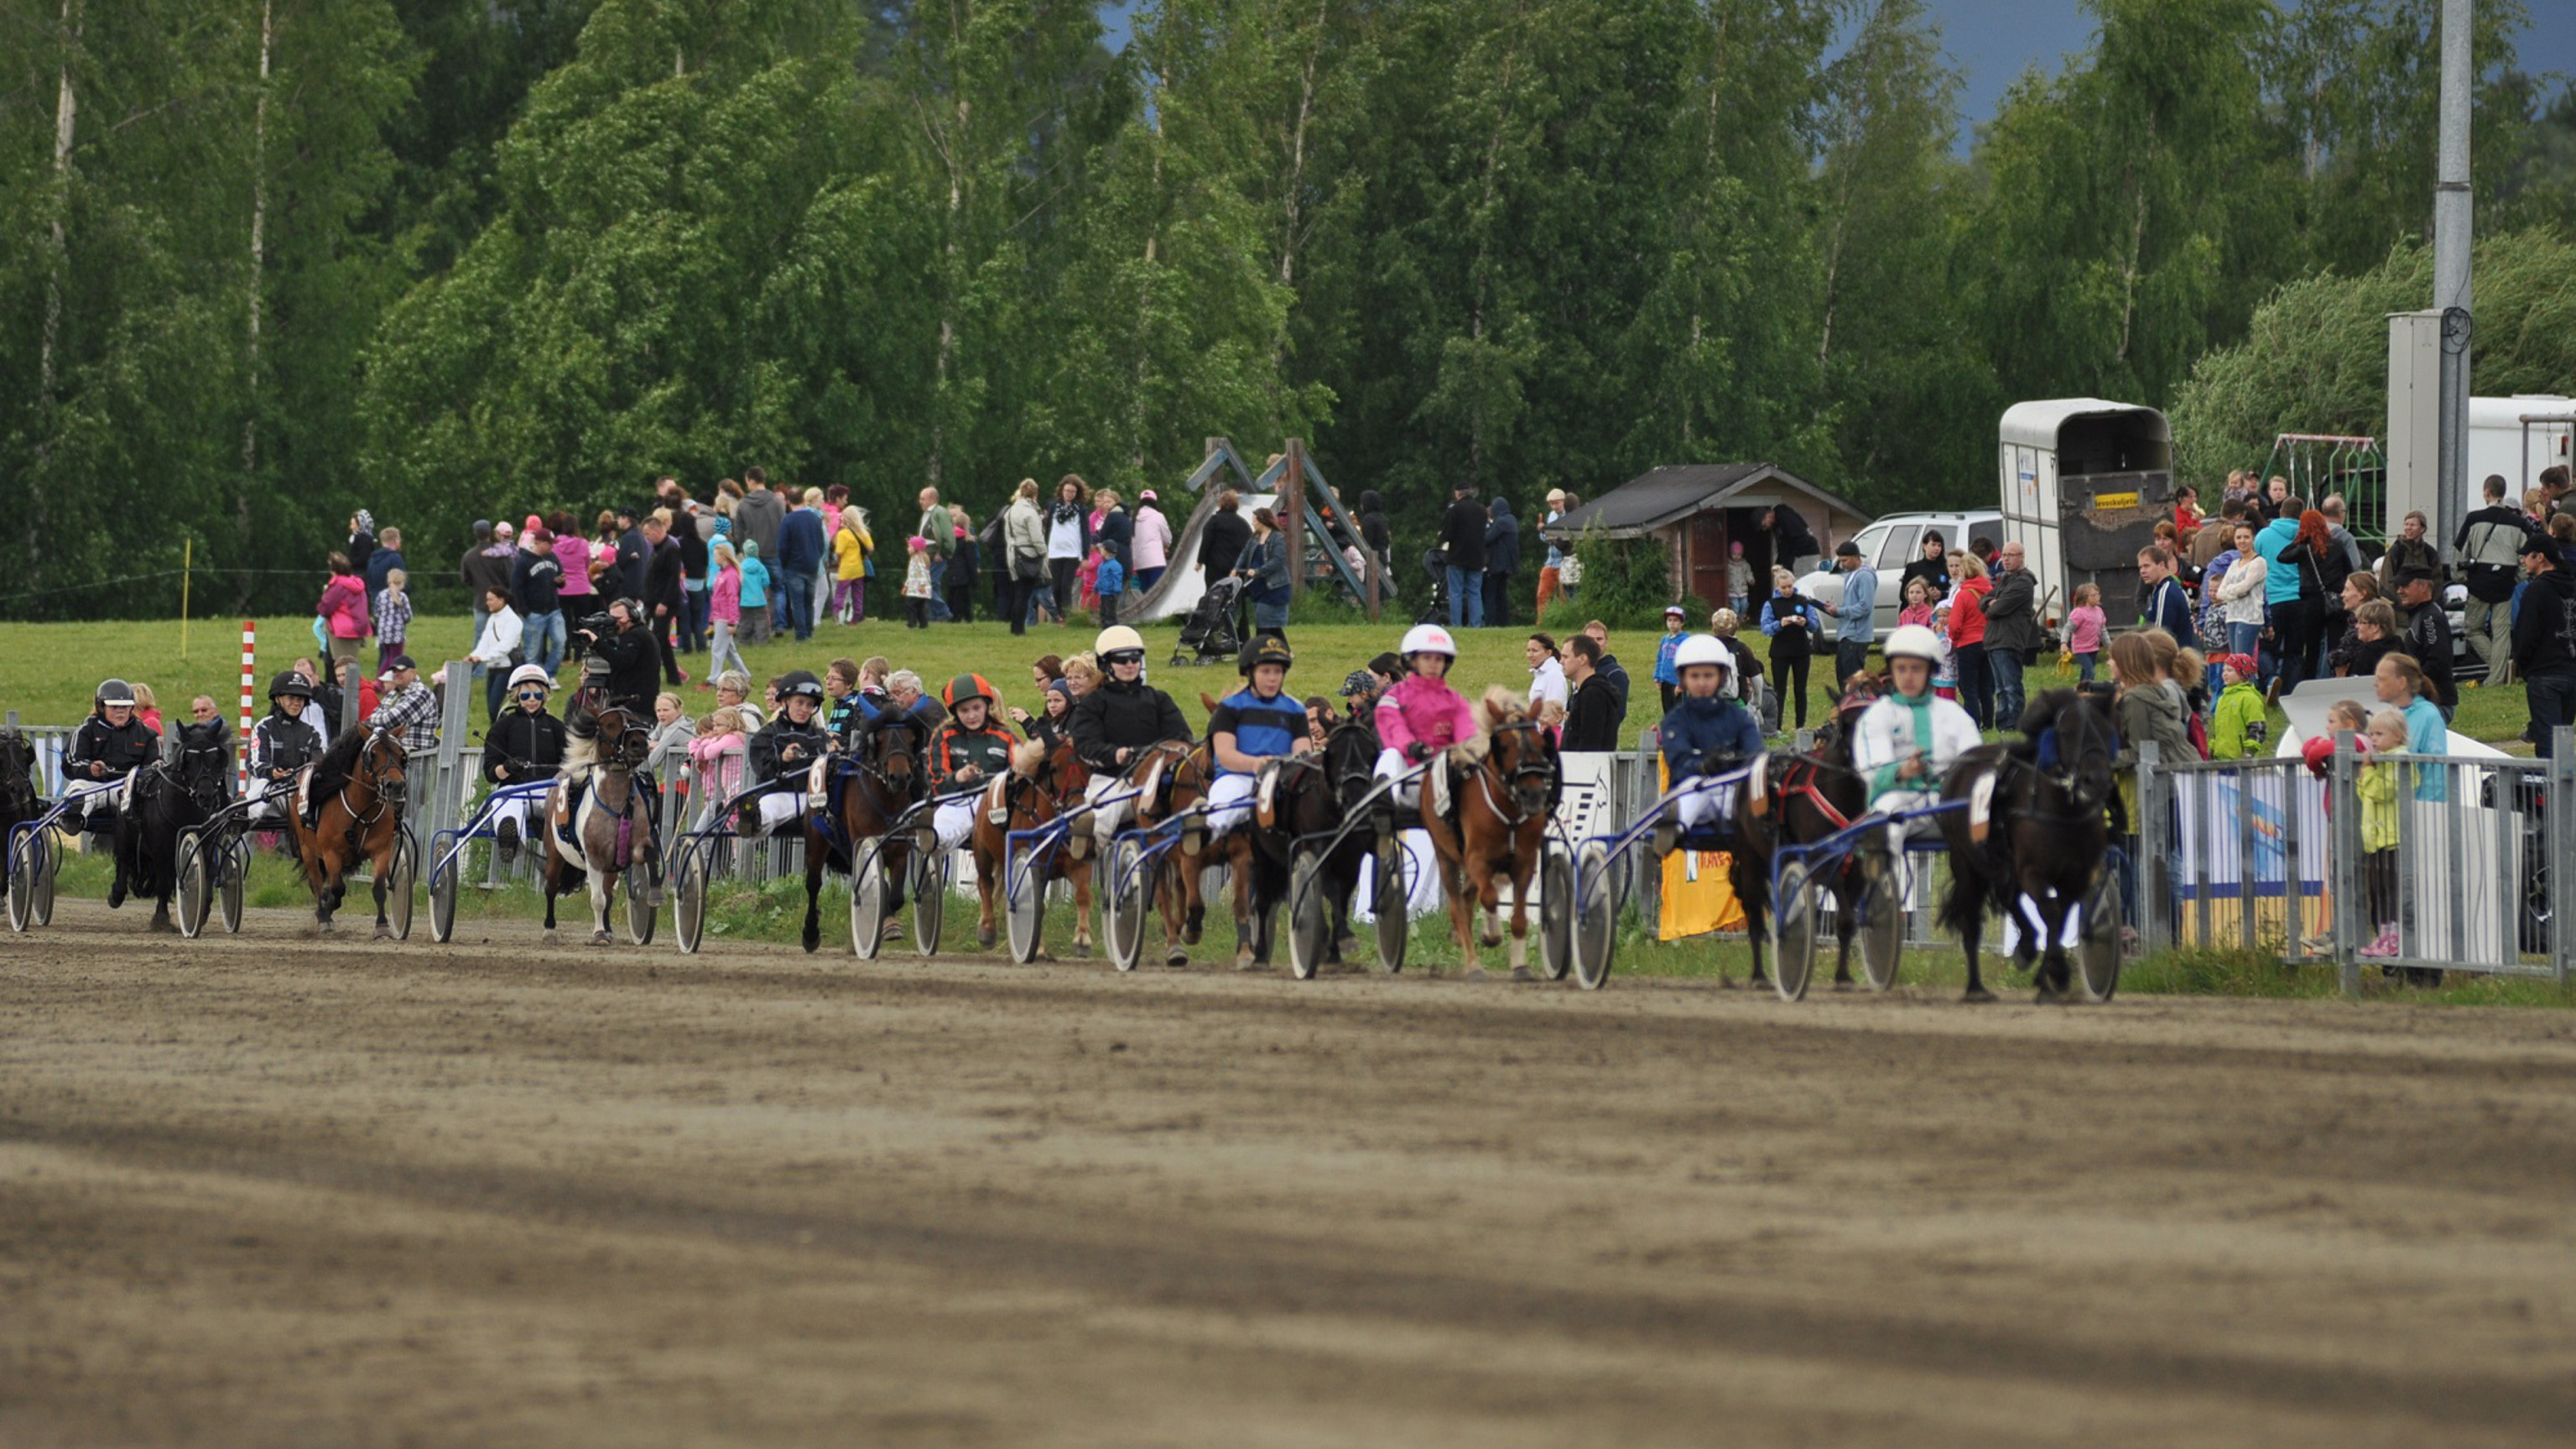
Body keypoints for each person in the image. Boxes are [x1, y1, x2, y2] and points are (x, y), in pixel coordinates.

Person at [1070, 625, 1189, 859]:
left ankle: (1198, 831)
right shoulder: (1094, 703)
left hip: (1157, 779)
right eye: (1122, 660)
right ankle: (1089, 844)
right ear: (1106, 664)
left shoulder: (1159, 699)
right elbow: (1085, 745)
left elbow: (1182, 737)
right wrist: (1116, 754)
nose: (1130, 664)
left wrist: (1169, 755)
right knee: (1107, 810)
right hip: (1113, 778)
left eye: (1135, 658)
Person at [1851, 625, 1980, 820]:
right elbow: (1871, 769)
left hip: (1949, 799)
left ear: (1931, 671)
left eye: (1916, 669)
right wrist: (1902, 771)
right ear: (1892, 672)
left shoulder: (1954, 713)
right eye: (1901, 669)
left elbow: (1974, 760)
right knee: (1886, 819)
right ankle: (1880, 849)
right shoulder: (1877, 715)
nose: (1908, 677)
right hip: (1897, 798)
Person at [1651, 635, 1766, 852]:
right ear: (1683, 679)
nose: (1702, 682)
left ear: (1721, 677)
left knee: (1742, 797)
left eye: (1708, 675)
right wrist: (1703, 765)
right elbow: (1678, 758)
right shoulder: (1675, 720)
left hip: (1730, 791)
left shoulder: (1739, 717)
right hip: (1691, 790)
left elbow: (1755, 752)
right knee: (1698, 788)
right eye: (1695, 676)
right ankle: (1674, 828)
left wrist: (1748, 763)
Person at [2108, 630, 2192, 925]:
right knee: (2167, 860)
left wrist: (2105, 761)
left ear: (2126, 662)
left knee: (2154, 864)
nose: (2108, 664)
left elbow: (2144, 752)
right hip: (2175, 783)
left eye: (2112, 658)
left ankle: (2162, 932)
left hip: (2160, 787)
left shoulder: (2136, 700)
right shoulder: (2153, 691)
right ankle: (2169, 932)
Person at [1371, 623, 1480, 841]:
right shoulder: (1393, 698)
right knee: (1390, 755)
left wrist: (1461, 755)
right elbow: (1394, 728)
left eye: (1438, 659)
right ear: (1412, 660)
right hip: (1405, 780)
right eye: (1427, 658)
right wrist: (1413, 747)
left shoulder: (1456, 701)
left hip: (1441, 784)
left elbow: (1466, 735)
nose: (1433, 664)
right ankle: (1382, 809)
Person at [1203, 636, 1309, 856]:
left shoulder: (1296, 710)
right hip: (1239, 777)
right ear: (1250, 672)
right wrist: (1257, 764)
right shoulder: (1230, 708)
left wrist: (1285, 768)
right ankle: (1206, 834)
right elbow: (1225, 755)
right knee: (1226, 798)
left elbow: (1303, 753)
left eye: (1277, 672)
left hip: (1281, 781)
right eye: (1266, 672)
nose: (1272, 679)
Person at [925, 674, 1019, 855]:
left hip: (996, 800)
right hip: (959, 799)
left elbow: (1022, 771)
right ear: (955, 712)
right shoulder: (944, 736)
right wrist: (958, 777)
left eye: (976, 708)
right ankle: (933, 838)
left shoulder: (1005, 736)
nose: (972, 715)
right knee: (948, 821)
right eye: (964, 710)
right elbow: (936, 783)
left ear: (987, 705)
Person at [482, 665, 567, 864]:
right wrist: (508, 767)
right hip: (513, 789)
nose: (531, 700)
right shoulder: (502, 727)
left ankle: (567, 851)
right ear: (516, 696)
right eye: (526, 695)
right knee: (503, 802)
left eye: (537, 695)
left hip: (546, 791)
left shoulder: (556, 727)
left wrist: (561, 775)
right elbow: (491, 772)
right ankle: (510, 841)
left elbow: (569, 764)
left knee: (559, 803)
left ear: (545, 696)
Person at [2457, 475, 2536, 686]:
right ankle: (2499, 674)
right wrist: (2519, 577)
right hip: (2506, 582)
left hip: (2478, 581)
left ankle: (2497, 671)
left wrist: (2461, 577)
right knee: (2501, 630)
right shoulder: (2519, 523)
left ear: (2486, 492)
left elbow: (2460, 551)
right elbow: (2525, 556)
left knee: (2473, 628)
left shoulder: (2474, 518)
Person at [740, 671, 830, 837]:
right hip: (778, 794)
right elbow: (764, 771)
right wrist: (783, 759)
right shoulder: (767, 734)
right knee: (770, 810)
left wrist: (835, 752)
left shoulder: (820, 736)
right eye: (800, 703)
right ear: (785, 701)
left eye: (810, 705)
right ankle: (751, 821)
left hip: (814, 797)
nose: (805, 709)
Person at [67, 679, 159, 841]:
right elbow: (70, 762)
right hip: (94, 787)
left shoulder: (147, 735)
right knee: (78, 788)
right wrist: (90, 769)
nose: (120, 711)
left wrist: (140, 776)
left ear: (132, 707)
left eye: (124, 707)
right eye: (114, 707)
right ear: (101, 707)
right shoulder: (86, 730)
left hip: (128, 790)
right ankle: (75, 819)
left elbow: (154, 767)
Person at [2513, 535, 2576, 755]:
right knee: (2564, 740)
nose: (2522, 561)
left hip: (2545, 673)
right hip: (2571, 671)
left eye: (2526, 556)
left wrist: (2522, 665)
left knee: (2548, 744)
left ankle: (2551, 789)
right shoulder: (2572, 586)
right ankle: (2566, 787)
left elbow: (2526, 633)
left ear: (2540, 557)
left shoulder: (2536, 590)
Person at [2354, 709, 2407, 962]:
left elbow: (2381, 792)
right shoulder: (2379, 760)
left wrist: (2368, 771)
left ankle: (2395, 936)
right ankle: (2385, 935)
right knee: (2380, 891)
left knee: (2392, 891)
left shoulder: (2398, 760)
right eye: (2371, 734)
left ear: (2397, 737)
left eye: (2379, 734)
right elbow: (2364, 793)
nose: (2373, 739)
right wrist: (2366, 775)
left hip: (2393, 837)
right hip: (2376, 839)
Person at [245, 673, 323, 829]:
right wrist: (272, 772)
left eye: (300, 699)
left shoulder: (311, 733)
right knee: (262, 784)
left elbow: (318, 762)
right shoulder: (264, 728)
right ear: (278, 699)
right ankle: (243, 816)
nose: (296, 704)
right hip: (269, 791)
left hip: (299, 792)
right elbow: (255, 762)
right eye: (291, 698)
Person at [1982, 540, 2042, 729]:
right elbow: (1984, 600)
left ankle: (2014, 723)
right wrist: (1989, 603)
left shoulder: (2023, 582)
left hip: (2008, 640)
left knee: (2011, 686)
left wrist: (1992, 604)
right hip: (1995, 639)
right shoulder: (2006, 579)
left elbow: (1995, 609)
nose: (2005, 559)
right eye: (2004, 555)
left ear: (2021, 557)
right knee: (2000, 689)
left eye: (2011, 555)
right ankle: (2003, 725)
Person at [2374, 652, 2448, 802]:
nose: (2375, 684)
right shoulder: (2385, 716)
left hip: (2421, 813)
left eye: (2381, 679)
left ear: (2401, 683)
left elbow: (2436, 771)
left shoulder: (2429, 715)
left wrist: (2428, 812)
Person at [1758, 566, 1825, 730]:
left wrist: (1806, 623)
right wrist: (1779, 624)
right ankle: (1777, 726)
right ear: (1777, 587)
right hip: (1780, 652)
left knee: (1800, 689)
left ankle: (1800, 726)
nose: (1787, 590)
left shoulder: (1802, 601)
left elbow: (1815, 625)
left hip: (1801, 651)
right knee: (1779, 690)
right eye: (1783, 587)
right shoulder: (1771, 604)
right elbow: (1765, 628)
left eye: (1789, 586)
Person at [573, 599, 657, 713]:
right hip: (635, 699)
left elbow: (623, 661)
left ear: (634, 615)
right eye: (612, 619)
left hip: (635, 703)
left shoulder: (635, 635)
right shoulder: (640, 633)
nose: (615, 623)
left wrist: (597, 643)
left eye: (618, 619)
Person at [2393, 567, 2456, 717]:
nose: (2399, 591)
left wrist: (2410, 684)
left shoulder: (2430, 618)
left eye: (2405, 586)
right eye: (2398, 586)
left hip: (2435, 703)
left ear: (2424, 587)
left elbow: (2438, 661)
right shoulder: (2420, 614)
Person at [1822, 540, 1877, 691]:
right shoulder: (1852, 575)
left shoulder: (1865, 576)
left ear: (1856, 557)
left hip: (1857, 636)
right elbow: (1852, 604)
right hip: (1847, 634)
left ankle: (1857, 711)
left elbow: (1865, 606)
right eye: (1840, 561)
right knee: (1843, 680)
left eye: (1845, 560)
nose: (1842, 564)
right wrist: (1836, 609)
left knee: (1854, 684)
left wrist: (1840, 611)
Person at [466, 586, 524, 724]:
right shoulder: (493, 618)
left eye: (491, 599)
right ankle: (501, 733)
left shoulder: (513, 620)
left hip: (507, 668)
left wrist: (482, 658)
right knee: (492, 710)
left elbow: (505, 646)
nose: (488, 603)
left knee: (494, 708)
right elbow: (484, 642)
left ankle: (510, 728)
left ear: (501, 600)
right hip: (493, 668)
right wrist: (473, 656)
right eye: (487, 600)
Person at [1944, 553, 1991, 728]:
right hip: (1987, 642)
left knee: (1969, 687)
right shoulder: (1989, 591)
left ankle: (1973, 721)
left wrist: (1954, 639)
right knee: (1985, 686)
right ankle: (1988, 722)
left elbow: (1954, 625)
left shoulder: (1963, 595)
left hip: (1967, 644)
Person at [642, 511, 688, 683]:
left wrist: (665, 602)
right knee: (662, 642)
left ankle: (652, 675)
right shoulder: (656, 549)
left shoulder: (671, 549)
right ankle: (673, 676)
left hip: (665, 602)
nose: (646, 538)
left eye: (647, 534)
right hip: (653, 600)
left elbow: (673, 579)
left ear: (656, 531)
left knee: (657, 639)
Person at [513, 529, 566, 675]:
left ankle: (548, 674)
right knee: (532, 651)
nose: (552, 547)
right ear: (541, 543)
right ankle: (530, 678)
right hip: (534, 613)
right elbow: (516, 587)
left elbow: (559, 578)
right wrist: (525, 612)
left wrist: (560, 582)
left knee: (560, 642)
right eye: (550, 544)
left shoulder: (553, 557)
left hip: (554, 610)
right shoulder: (524, 561)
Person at [367, 654, 441, 759]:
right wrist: (390, 727)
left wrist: (385, 725)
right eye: (394, 671)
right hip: (395, 760)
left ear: (413, 673)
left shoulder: (421, 693)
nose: (396, 674)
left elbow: (392, 719)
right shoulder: (393, 693)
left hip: (416, 763)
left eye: (401, 670)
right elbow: (372, 717)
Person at [1439, 481, 1488, 628]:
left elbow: (1448, 534)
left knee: (1455, 593)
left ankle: (1456, 624)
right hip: (1477, 557)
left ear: (1458, 493)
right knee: (1475, 592)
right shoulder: (1481, 510)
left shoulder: (1455, 510)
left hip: (1457, 556)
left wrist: (1441, 535)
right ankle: (1476, 624)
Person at [1002, 479, 1049, 633]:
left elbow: (1008, 535)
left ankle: (1015, 626)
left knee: (1018, 592)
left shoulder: (1010, 511)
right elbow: (1036, 537)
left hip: (1013, 552)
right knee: (1024, 593)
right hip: (1028, 553)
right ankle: (1019, 629)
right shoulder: (1030, 512)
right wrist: (1043, 553)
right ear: (1035, 493)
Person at [1561, 634, 1621, 752]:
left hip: (1588, 767)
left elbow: (1590, 742)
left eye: (1565, 657)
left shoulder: (1593, 694)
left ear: (1583, 659)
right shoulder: (1583, 692)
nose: (1561, 661)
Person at [1050, 477, 1095, 623]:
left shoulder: (1081, 509)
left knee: (1066, 586)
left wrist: (1085, 555)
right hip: (1054, 551)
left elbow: (1085, 532)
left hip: (1072, 552)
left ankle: (1067, 617)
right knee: (1055, 587)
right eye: (1067, 491)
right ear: (1062, 491)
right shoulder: (1053, 506)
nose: (1070, 494)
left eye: (1073, 492)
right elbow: (1047, 529)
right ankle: (1058, 616)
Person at [2207, 654, 2266, 760]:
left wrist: (2249, 752)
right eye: (2224, 670)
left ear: (2243, 674)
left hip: (2240, 760)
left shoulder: (2250, 698)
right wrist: (2212, 748)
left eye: (2230, 670)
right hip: (2220, 759)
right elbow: (2218, 730)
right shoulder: (2222, 699)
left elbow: (2257, 728)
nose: (2225, 674)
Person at [318, 553, 370, 671]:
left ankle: (348, 689)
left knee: (343, 667)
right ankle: (352, 688)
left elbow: (325, 608)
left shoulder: (338, 586)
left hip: (342, 630)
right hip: (357, 627)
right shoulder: (356, 583)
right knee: (352, 664)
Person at [734, 467, 786, 572]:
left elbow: (739, 532)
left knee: (754, 587)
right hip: (774, 553)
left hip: (752, 554)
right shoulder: (777, 501)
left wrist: (745, 550)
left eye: (747, 482)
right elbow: (784, 528)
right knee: (778, 587)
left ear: (751, 481)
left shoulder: (743, 504)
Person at [1482, 495, 1520, 628]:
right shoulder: (1512, 519)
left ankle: (1490, 623)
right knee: (1501, 594)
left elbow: (1487, 539)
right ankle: (1504, 622)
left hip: (1498, 563)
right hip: (1509, 564)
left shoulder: (1501, 522)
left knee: (1491, 594)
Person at [831, 503, 872, 625]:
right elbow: (870, 548)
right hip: (859, 568)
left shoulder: (843, 534)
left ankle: (837, 612)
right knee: (858, 594)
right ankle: (856, 618)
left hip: (846, 569)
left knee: (840, 593)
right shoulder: (863, 532)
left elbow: (839, 552)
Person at [1131, 489, 1172, 594]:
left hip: (1139, 560)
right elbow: (1167, 538)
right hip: (1156, 560)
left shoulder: (1134, 517)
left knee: (1144, 591)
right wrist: (1165, 545)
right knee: (1157, 591)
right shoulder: (1158, 516)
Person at [372, 568, 413, 676]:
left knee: (388, 657)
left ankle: (384, 679)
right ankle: (382, 681)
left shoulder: (381, 595)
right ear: (402, 582)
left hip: (384, 633)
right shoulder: (402, 597)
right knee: (395, 659)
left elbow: (376, 613)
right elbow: (408, 616)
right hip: (397, 634)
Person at [1761, 503, 1820, 576]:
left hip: (1806, 555)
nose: (1765, 528)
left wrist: (1790, 559)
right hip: (1798, 558)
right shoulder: (1776, 526)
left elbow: (1801, 537)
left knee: (1802, 584)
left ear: (1767, 516)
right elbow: (1783, 546)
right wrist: (1779, 563)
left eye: (1764, 525)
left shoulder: (1784, 516)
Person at [2065, 582, 2106, 685]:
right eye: (2093, 595)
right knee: (2090, 672)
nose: (2097, 597)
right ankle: (2087, 692)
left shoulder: (2099, 611)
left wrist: (2110, 645)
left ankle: (2079, 692)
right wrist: (2063, 643)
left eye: (2098, 594)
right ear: (2085, 598)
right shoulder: (2078, 613)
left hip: (2094, 648)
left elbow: (2103, 630)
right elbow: (2067, 629)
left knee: (2085, 672)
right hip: (2080, 649)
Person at [1536, 488, 1569, 611]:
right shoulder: (1551, 516)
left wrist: (1552, 537)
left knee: (1564, 596)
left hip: (1563, 560)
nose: (1554, 506)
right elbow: (1544, 538)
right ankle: (1542, 622)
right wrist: (1543, 532)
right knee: (1542, 594)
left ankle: (1564, 620)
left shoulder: (1568, 514)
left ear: (1563, 501)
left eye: (1557, 503)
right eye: (1551, 504)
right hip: (1551, 560)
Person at [737, 538, 773, 645]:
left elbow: (738, 581)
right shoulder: (761, 567)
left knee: (745, 621)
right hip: (759, 599)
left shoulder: (740, 567)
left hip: (745, 600)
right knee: (761, 620)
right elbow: (766, 581)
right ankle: (761, 640)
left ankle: (744, 640)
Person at [1898, 531, 1950, 603]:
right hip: (1919, 611)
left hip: (1940, 610)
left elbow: (1953, 592)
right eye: (1933, 545)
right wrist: (1923, 594)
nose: (1937, 548)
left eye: (1939, 546)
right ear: (1924, 546)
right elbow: (1903, 596)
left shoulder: (1946, 568)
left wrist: (1941, 594)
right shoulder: (1913, 568)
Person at [1526, 632, 1566, 712]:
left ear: (1548, 653)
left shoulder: (1554, 675)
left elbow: (1554, 712)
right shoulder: (1540, 674)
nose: (1530, 655)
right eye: (1528, 650)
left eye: (1535, 651)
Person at [1093, 539, 1127, 627]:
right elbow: (1101, 578)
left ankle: (1111, 626)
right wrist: (1096, 587)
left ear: (1107, 551)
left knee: (1110, 612)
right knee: (1103, 611)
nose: (1101, 551)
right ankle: (1104, 625)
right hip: (1103, 593)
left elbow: (1117, 578)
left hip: (1110, 593)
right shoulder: (1102, 565)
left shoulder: (1115, 565)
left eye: (1102, 549)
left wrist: (1116, 590)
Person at [1727, 541, 1754, 619]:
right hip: (1732, 590)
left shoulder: (1745, 565)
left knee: (1745, 605)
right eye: (1734, 554)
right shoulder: (1728, 565)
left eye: (1739, 555)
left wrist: (1751, 580)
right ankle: (1735, 620)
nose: (1736, 556)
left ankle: (1742, 619)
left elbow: (1748, 573)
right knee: (1735, 606)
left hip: (1743, 589)